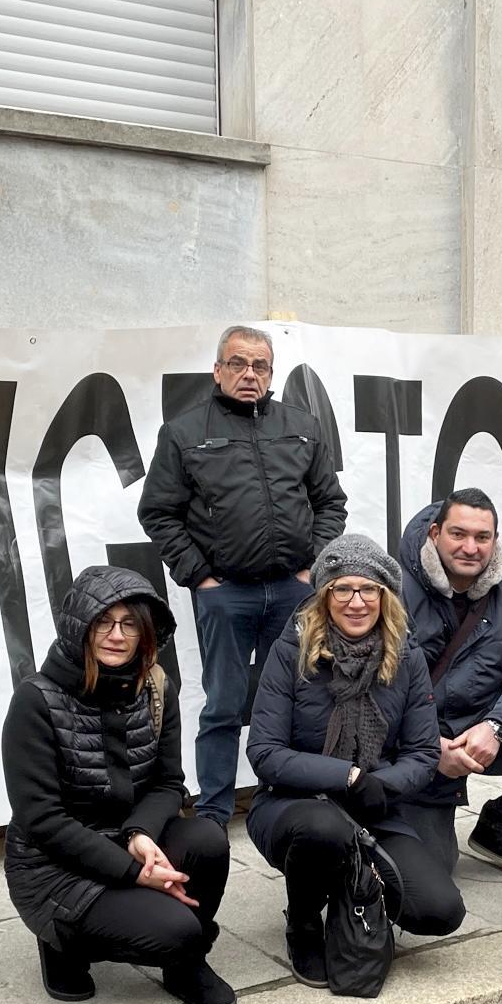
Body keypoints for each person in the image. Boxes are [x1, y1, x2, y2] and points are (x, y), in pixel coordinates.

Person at [138, 325, 348, 825]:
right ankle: (213, 810)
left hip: (293, 595)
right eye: (238, 363)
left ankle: (292, 794)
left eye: (260, 365)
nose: (249, 374)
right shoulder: (184, 433)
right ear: (217, 370)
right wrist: (201, 578)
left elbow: (330, 503)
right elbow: (158, 512)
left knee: (300, 699)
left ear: (271, 373)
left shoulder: (302, 425)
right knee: (224, 705)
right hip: (225, 595)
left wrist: (309, 570)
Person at [1, 566, 235, 1004]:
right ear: (81, 627)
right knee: (178, 929)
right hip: (54, 866)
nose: (116, 634)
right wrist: (135, 873)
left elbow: (169, 782)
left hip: (126, 838)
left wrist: (140, 834)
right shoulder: (36, 698)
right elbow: (41, 819)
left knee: (207, 838)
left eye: (130, 623)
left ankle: (184, 965)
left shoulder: (154, 686)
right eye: (103, 622)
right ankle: (60, 943)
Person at [246, 534, 458, 985]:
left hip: (374, 806)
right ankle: (303, 920)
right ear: (324, 596)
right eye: (343, 589)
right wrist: (349, 775)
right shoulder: (291, 652)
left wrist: (384, 784)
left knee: (439, 911)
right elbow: (265, 752)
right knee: (324, 830)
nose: (356, 602)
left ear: (385, 596)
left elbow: (423, 752)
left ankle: (350, 886)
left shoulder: (406, 657)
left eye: (368, 590)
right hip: (293, 806)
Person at [396, 490, 502, 878]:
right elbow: (375, 691)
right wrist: (428, 747)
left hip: (484, 720)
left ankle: (500, 826)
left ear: (495, 540)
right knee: (432, 874)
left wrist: (497, 726)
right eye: (458, 534)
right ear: (435, 533)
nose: (471, 547)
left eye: (482, 537)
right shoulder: (393, 585)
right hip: (415, 739)